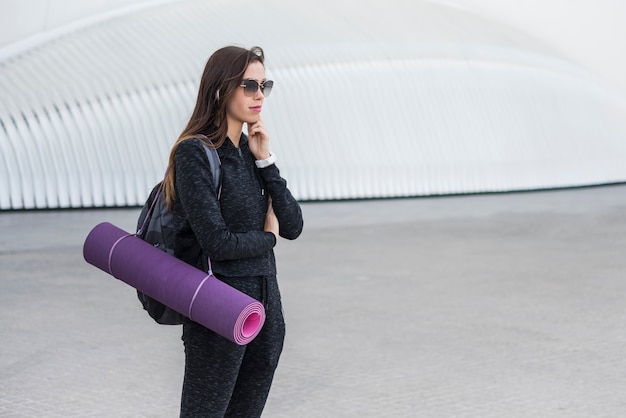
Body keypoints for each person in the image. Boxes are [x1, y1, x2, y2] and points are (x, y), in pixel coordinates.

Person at [161, 45, 303, 417]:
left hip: (265, 308)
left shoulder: (250, 151)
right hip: (218, 306)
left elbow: (294, 225)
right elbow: (217, 242)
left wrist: (266, 161)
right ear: (221, 89)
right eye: (249, 85)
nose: (259, 95)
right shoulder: (195, 153)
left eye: (264, 86)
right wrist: (267, 239)